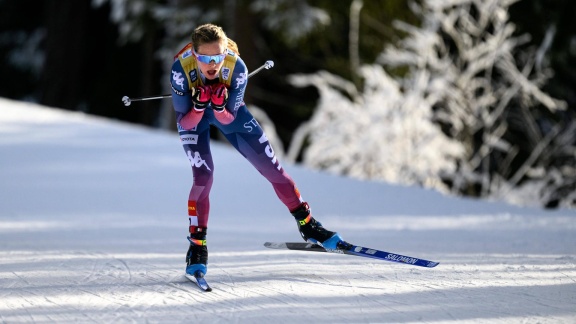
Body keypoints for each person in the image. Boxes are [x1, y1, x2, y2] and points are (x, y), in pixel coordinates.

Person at [170, 23, 344, 277]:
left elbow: (229, 118)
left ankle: (308, 225)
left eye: (218, 57)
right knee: (204, 176)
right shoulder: (181, 70)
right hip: (193, 116)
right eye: (206, 58)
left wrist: (218, 107)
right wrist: (198, 106)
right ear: (195, 55)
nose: (213, 64)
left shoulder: (236, 68)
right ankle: (197, 247)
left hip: (229, 113)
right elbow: (184, 121)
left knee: (272, 169)